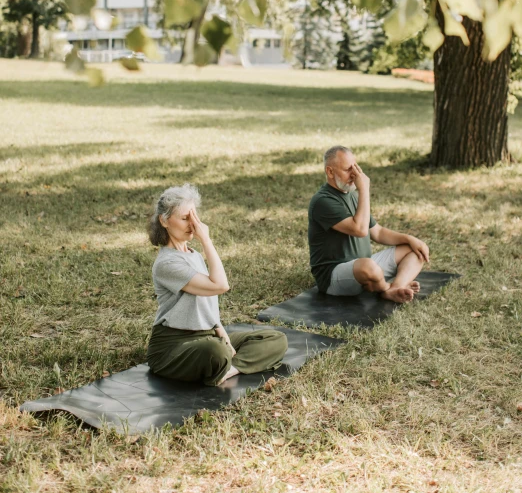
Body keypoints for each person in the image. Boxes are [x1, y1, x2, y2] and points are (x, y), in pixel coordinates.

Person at [147, 184, 288, 386]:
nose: (193, 225)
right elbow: (220, 286)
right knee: (216, 351)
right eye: (185, 218)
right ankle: (223, 365)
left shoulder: (193, 255)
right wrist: (206, 240)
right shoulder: (167, 263)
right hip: (173, 345)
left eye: (194, 217)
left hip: (208, 335)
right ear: (164, 220)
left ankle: (227, 370)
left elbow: (206, 304)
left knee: (276, 339)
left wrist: (222, 333)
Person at [308, 146, 430, 303]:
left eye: (355, 167)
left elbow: (377, 232)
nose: (355, 174)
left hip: (366, 267)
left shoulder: (352, 194)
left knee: (415, 250)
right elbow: (359, 229)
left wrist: (409, 239)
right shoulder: (323, 201)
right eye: (347, 170)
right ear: (330, 172)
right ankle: (386, 287)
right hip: (335, 276)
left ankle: (395, 289)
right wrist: (364, 189)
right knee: (368, 266)